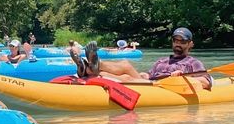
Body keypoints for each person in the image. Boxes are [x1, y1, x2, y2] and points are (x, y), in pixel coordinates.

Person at [70, 27, 211, 89]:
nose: (178, 44)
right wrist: (145, 74)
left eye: (183, 41)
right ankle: (90, 68)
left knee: (127, 78)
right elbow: (149, 75)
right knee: (124, 65)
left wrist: (181, 78)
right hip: (149, 82)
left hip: (162, 87)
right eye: (176, 40)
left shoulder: (193, 62)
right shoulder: (162, 61)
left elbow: (206, 81)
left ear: (190, 44)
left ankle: (89, 69)